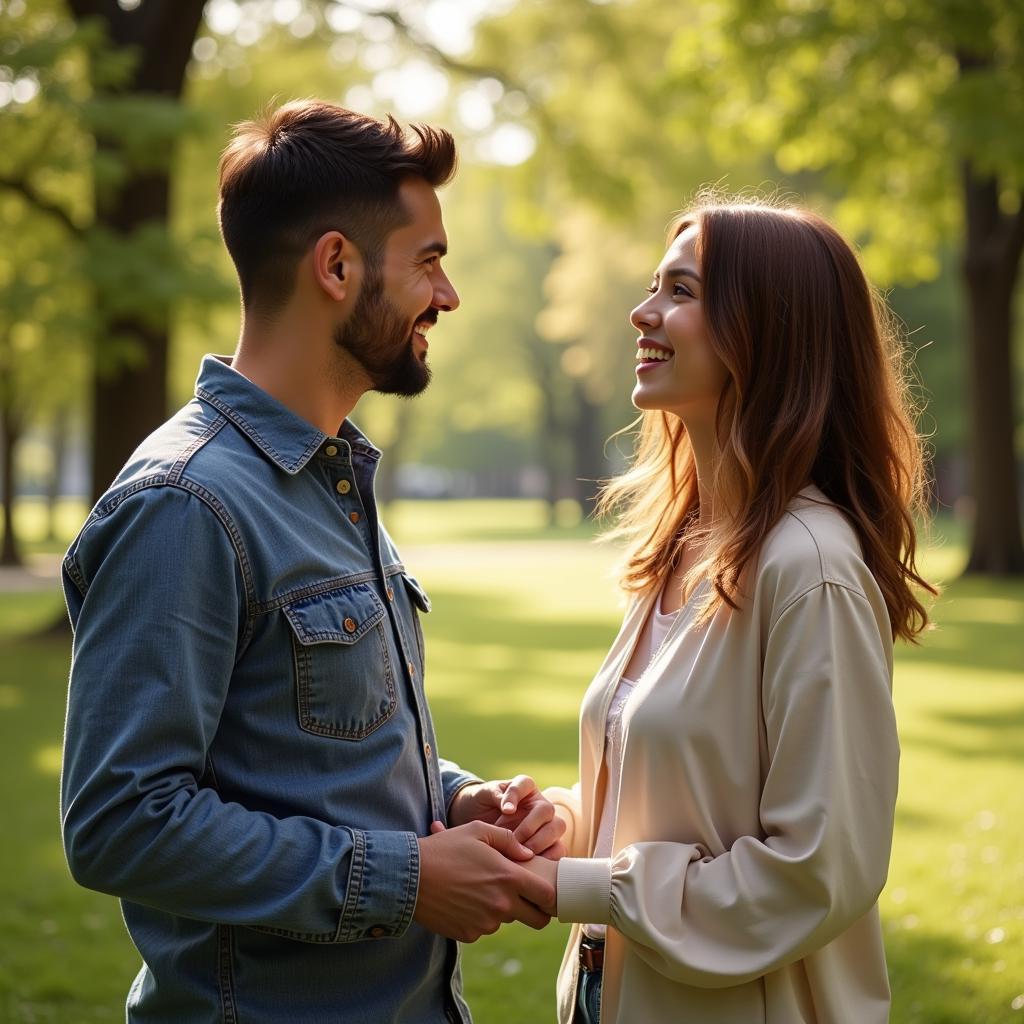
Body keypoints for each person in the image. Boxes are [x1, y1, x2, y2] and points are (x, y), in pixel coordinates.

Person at [59, 100, 564, 1024]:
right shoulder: (188, 503)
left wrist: (452, 805)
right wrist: (405, 879)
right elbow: (119, 823)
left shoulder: (333, 478)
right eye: (430, 262)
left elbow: (304, 749)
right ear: (336, 266)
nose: (447, 297)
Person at [522, 195, 935, 1023]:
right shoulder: (681, 547)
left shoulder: (809, 567)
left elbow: (816, 870)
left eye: (680, 290)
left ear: (766, 329)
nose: (643, 312)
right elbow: (671, 806)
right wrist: (553, 824)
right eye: (654, 286)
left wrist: (573, 885)